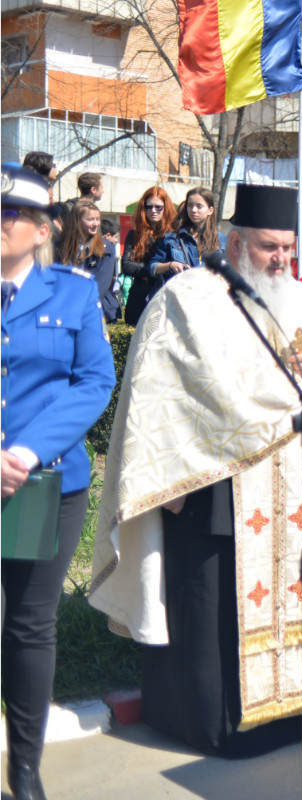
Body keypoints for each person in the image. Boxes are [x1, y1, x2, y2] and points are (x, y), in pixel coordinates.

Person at [88, 183, 302, 757]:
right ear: (234, 243)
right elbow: (177, 385)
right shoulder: (187, 296)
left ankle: (289, 713)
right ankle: (216, 724)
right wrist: (275, 397)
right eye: (270, 247)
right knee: (214, 606)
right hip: (215, 486)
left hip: (286, 485)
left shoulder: (294, 296)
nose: (281, 259)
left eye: (288, 248)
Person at [1, 166, 116, 800]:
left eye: (9, 214)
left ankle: (24, 768)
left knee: (28, 622)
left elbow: (95, 382)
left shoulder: (72, 293)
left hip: (44, 485)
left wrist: (24, 451)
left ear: (42, 229)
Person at [146, 187, 224, 304]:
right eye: (190, 205)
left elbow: (231, 273)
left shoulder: (221, 240)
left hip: (210, 302)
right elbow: (152, 268)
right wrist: (171, 265)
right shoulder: (172, 238)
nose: (193, 210)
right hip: (179, 302)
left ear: (210, 210)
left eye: (199, 206)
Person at [56, 198, 120, 322]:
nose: (96, 223)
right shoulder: (61, 246)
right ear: (77, 221)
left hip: (93, 310)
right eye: (90, 219)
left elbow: (100, 285)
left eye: (97, 219)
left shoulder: (105, 248)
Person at [121, 187, 177, 326]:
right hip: (139, 296)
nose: (153, 210)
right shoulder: (134, 235)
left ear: (166, 208)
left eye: (158, 207)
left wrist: (148, 270)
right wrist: (154, 269)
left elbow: (174, 268)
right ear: (143, 208)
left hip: (164, 296)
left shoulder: (174, 236)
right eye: (149, 206)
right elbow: (126, 266)